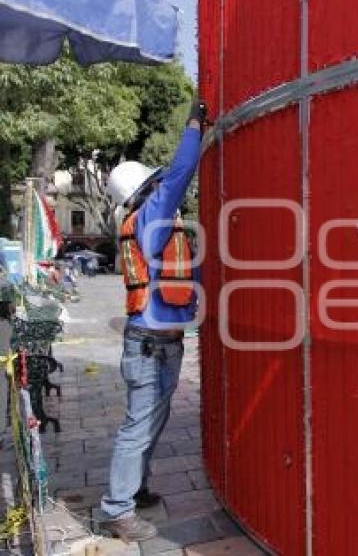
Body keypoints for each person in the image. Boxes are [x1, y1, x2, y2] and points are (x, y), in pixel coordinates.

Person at [99, 100, 206, 542]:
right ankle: (117, 510)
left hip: (159, 343)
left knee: (152, 421)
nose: (164, 186)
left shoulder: (143, 222)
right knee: (137, 424)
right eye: (155, 183)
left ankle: (135, 489)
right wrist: (195, 127)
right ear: (144, 190)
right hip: (149, 345)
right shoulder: (151, 217)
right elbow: (181, 171)